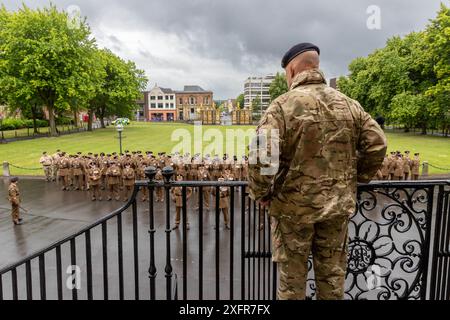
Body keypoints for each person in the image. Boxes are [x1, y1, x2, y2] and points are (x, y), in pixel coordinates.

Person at [248, 43, 387, 300]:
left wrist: (261, 193)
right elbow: (377, 144)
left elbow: (261, 157)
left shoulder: (281, 106)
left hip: (293, 211)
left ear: (291, 69)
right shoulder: (349, 104)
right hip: (336, 208)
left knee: (292, 283)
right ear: (316, 66)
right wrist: (356, 179)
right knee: (332, 279)